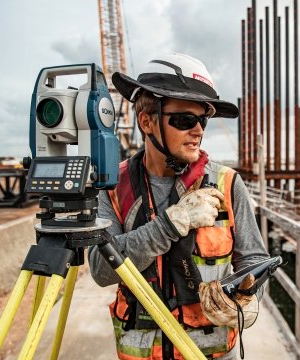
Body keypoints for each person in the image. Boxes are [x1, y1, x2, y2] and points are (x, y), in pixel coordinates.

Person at [89, 52, 269, 360]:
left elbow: (254, 259)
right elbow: (101, 270)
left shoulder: (227, 183)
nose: (198, 130)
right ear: (146, 121)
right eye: (185, 120)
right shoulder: (112, 187)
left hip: (213, 353)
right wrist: (171, 224)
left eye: (202, 120)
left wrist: (247, 294)